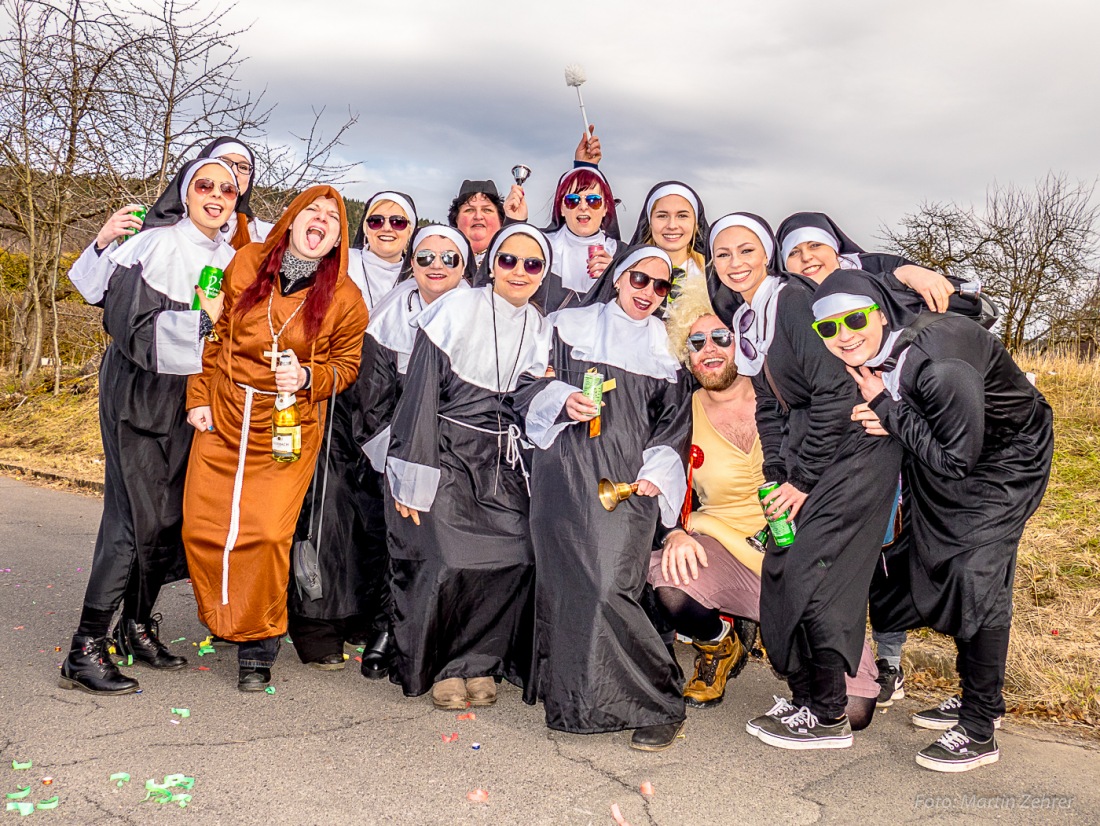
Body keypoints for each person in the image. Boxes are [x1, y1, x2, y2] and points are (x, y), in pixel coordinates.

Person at [811, 268, 1053, 772]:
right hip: (958, 442)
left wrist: (887, 408)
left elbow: (955, 460)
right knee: (923, 553)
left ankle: (981, 724)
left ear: (879, 314)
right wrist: (894, 409)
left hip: (1008, 456)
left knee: (975, 572)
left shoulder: (937, 365)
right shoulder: (886, 348)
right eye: (828, 328)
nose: (844, 335)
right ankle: (969, 696)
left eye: (853, 319)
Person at [646, 282, 881, 730]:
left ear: (744, 341)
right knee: (667, 577)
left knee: (855, 712)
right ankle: (720, 641)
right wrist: (678, 529)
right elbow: (664, 477)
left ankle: (795, 639)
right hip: (728, 552)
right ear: (686, 355)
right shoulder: (684, 412)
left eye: (721, 337)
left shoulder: (782, 394)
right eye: (696, 343)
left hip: (799, 552)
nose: (710, 349)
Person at [707, 212, 902, 750]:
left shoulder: (791, 302)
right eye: (723, 254)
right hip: (809, 458)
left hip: (852, 456)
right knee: (788, 569)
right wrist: (776, 475)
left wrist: (804, 479)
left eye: (746, 250)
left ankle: (829, 716)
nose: (734, 263)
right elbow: (769, 406)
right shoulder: (750, 321)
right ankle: (805, 699)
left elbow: (835, 396)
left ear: (765, 254)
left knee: (817, 579)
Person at [59, 158, 239, 695]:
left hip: (194, 399)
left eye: (228, 188)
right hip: (140, 388)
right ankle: (85, 647)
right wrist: (202, 320)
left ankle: (135, 626)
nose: (217, 194)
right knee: (131, 517)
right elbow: (124, 322)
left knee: (166, 518)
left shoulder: (232, 258)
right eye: (205, 184)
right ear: (185, 193)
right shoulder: (155, 245)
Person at [182, 185, 369, 692]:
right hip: (224, 409)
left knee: (265, 535)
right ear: (291, 218)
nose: (322, 220)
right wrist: (198, 395)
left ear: (338, 237)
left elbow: (346, 366)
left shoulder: (347, 298)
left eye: (333, 217)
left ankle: (257, 646)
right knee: (205, 529)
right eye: (313, 210)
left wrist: (308, 377)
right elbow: (212, 331)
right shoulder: (245, 263)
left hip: (286, 425)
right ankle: (225, 616)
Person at [520, 244, 691, 751]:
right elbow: (524, 384)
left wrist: (658, 471)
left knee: (609, 586)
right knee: (566, 585)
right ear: (618, 278)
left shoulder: (667, 348)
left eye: (661, 287)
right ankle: (574, 697)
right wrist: (557, 398)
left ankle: (658, 698)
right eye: (640, 280)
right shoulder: (565, 326)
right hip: (563, 477)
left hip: (625, 485)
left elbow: (675, 423)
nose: (648, 293)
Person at [288, 225, 471, 677]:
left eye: (449, 258)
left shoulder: (480, 315)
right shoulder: (391, 314)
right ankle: (385, 623)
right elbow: (373, 398)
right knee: (377, 526)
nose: (436, 266)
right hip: (391, 446)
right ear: (412, 262)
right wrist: (402, 463)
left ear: (466, 266)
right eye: (426, 257)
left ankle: (430, 633)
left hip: (460, 453)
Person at [385, 223, 553, 710]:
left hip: (503, 462)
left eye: (532, 264)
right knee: (446, 560)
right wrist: (412, 477)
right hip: (445, 453)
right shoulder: (455, 308)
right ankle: (443, 668)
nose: (519, 272)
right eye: (508, 260)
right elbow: (417, 396)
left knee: (516, 556)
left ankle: (481, 660)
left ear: (542, 274)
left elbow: (532, 399)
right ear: (491, 264)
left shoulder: (540, 326)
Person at [67, 136, 270, 306]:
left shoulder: (262, 235)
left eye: (243, 167)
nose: (233, 171)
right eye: (205, 185)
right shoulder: (163, 231)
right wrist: (103, 243)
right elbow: (114, 298)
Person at [535, 166, 620, 313]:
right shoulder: (539, 247)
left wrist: (615, 279)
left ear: (606, 207)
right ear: (561, 208)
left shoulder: (622, 254)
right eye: (572, 200)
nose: (583, 207)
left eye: (593, 200)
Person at [628, 181, 710, 317]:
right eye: (662, 216)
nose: (672, 225)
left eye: (682, 216)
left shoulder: (712, 275)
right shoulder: (629, 273)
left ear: (696, 223)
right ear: (649, 222)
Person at [347, 191, 417, 310]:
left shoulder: (418, 279)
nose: (386, 228)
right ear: (366, 228)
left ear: (410, 231)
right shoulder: (343, 261)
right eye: (376, 221)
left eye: (398, 222)